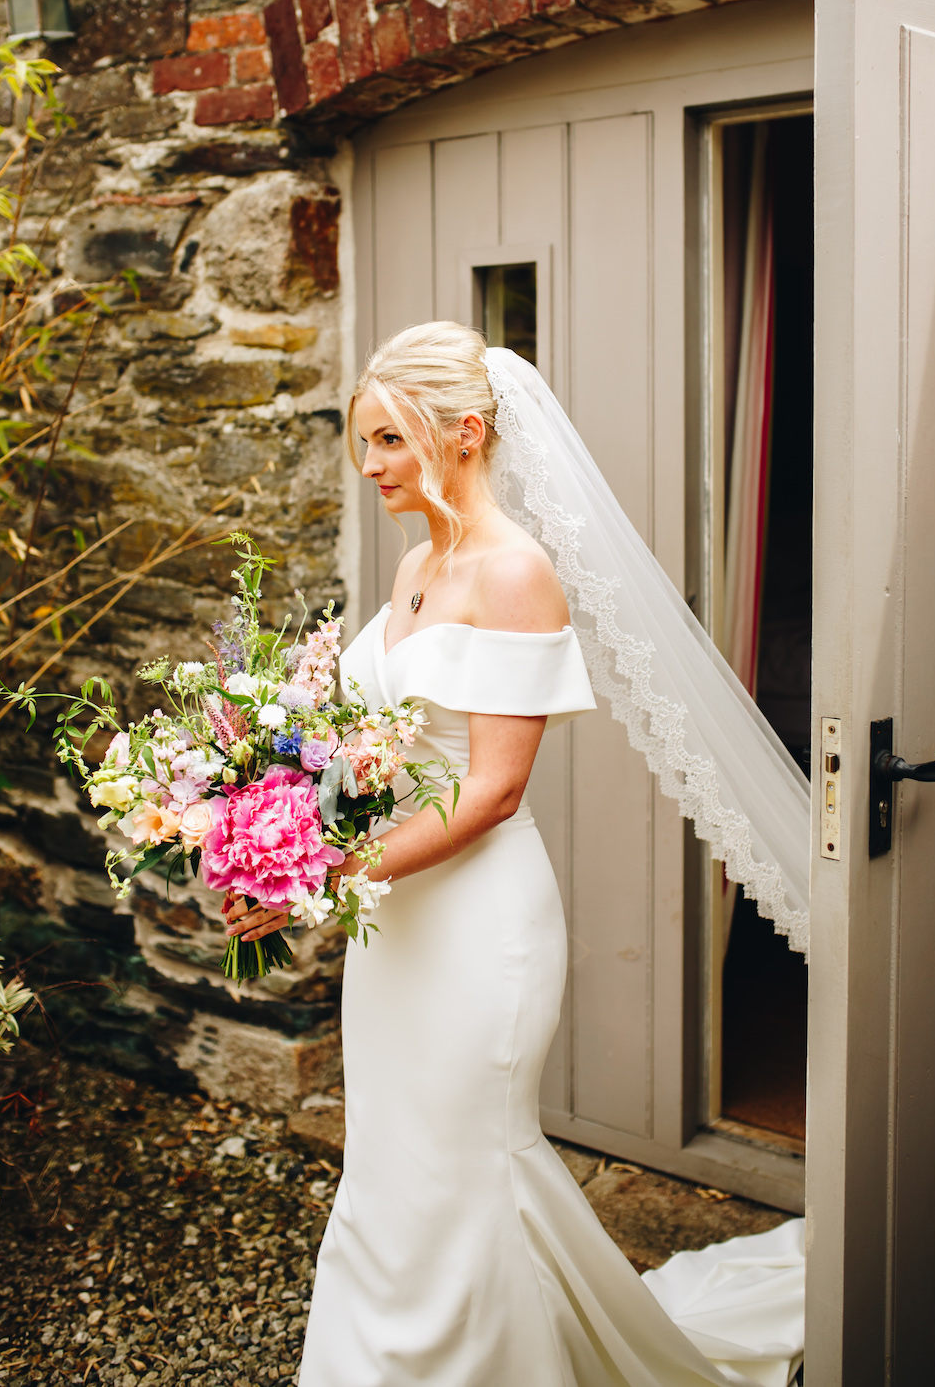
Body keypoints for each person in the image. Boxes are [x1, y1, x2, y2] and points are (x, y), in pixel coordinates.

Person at [225, 322, 804, 1387]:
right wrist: (267, 821)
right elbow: (364, 745)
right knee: (395, 1161)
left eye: (389, 441)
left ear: (466, 433)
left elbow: (491, 788)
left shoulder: (514, 572)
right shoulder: (412, 562)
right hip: (392, 922)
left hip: (478, 921)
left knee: (467, 1160)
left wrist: (325, 875)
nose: (371, 468)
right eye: (365, 443)